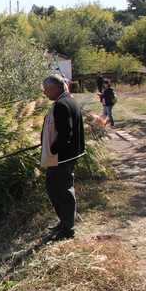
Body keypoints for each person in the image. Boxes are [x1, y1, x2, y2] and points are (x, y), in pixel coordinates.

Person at [40, 74, 85, 241]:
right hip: (65, 156)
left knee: (62, 192)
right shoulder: (69, 100)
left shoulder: (61, 105)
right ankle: (64, 222)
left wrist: (52, 149)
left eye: (46, 89)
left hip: (62, 158)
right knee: (53, 188)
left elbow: (66, 134)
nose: (44, 92)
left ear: (55, 89)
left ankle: (68, 229)